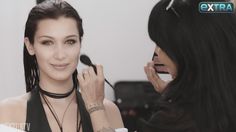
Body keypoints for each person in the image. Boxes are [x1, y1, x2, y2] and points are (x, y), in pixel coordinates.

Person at [0, 0, 127, 132]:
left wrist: (96, 108)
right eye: (47, 42)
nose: (60, 55)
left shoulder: (109, 110)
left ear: (80, 43)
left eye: (70, 41)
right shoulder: (9, 113)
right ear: (30, 46)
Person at [143, 0, 236, 132]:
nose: (158, 53)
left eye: (161, 46)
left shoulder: (173, 122)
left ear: (190, 52)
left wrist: (101, 109)